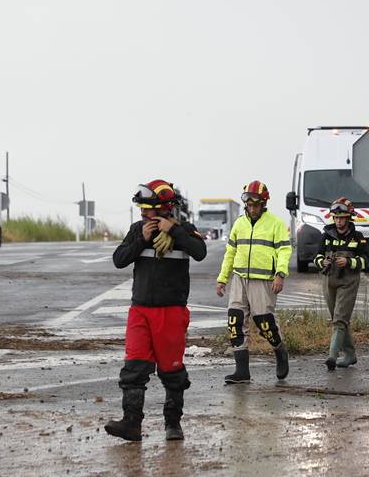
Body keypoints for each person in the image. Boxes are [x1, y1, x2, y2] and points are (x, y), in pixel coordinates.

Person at [106, 179, 207, 442]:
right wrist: (142, 239)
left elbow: (200, 252)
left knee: (171, 372)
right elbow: (119, 260)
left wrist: (174, 232)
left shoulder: (185, 229)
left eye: (147, 209)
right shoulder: (137, 230)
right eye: (141, 210)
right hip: (140, 310)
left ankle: (173, 424)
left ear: (164, 209)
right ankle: (131, 425)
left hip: (171, 312)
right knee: (134, 368)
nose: (143, 214)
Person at [217, 180, 292, 383]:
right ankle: (242, 371)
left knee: (264, 323)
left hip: (264, 281)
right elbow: (230, 252)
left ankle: (280, 351)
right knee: (235, 321)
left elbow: (284, 250)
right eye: (249, 204)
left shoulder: (275, 224)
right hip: (240, 279)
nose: (252, 208)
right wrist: (222, 279)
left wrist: (280, 274)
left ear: (263, 204)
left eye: (256, 204)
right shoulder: (239, 224)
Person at [314, 197, 369, 370]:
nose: (338, 221)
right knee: (340, 319)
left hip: (349, 281)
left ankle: (332, 356)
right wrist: (321, 262)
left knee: (339, 320)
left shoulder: (357, 238)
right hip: (329, 280)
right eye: (336, 217)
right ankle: (350, 354)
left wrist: (349, 262)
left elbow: (366, 261)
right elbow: (316, 257)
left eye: (342, 217)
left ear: (349, 218)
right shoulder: (326, 236)